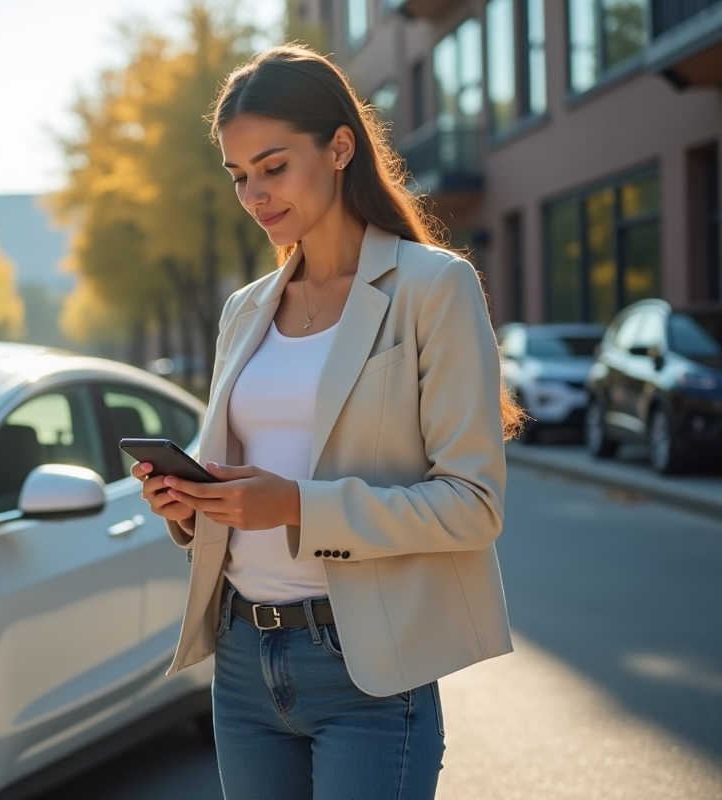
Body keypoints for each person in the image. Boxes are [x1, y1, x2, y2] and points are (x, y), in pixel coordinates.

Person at [132, 45, 525, 800]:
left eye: (273, 167)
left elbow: (474, 505)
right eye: (239, 175)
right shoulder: (243, 310)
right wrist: (190, 509)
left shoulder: (432, 288)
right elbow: (244, 484)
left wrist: (296, 507)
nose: (254, 194)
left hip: (367, 669)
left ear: (340, 147)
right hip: (244, 663)